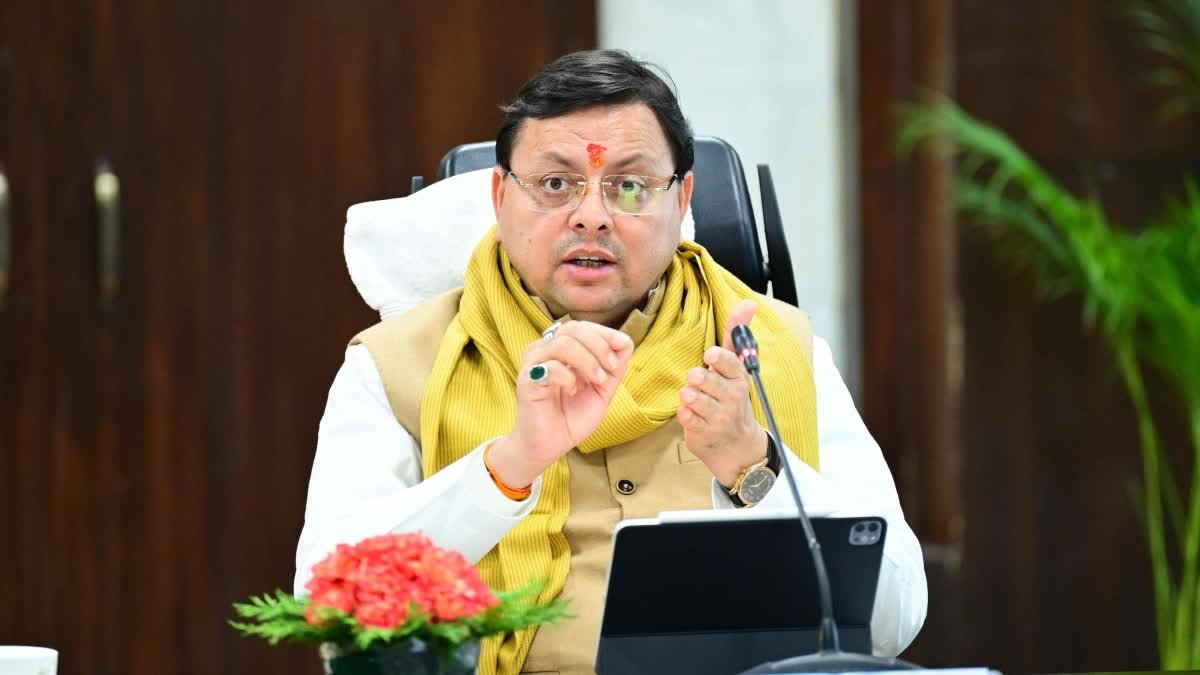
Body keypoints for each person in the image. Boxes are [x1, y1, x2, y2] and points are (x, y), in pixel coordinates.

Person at [295, 49, 926, 675]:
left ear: (682, 200)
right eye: (555, 185)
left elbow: (894, 620)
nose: (592, 217)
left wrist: (753, 467)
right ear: (500, 196)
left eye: (629, 186)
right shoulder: (396, 364)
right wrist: (508, 468)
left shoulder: (771, 354)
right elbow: (326, 604)